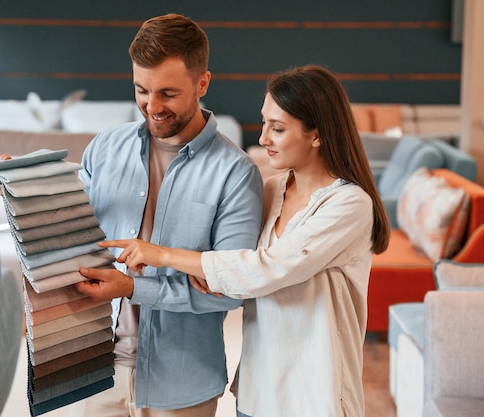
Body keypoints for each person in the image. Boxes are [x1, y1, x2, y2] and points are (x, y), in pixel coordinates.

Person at [77, 65, 391, 417]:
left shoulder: (349, 204)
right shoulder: (271, 190)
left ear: (316, 135)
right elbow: (236, 274)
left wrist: (166, 256)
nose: (263, 139)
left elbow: (265, 270)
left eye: (278, 128)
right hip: (257, 393)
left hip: (316, 395)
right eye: (264, 123)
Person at [69, 13, 264, 417]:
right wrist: (27, 188)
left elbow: (230, 292)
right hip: (93, 369)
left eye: (168, 94)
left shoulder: (235, 173)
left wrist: (131, 288)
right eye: (142, 90)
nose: (152, 106)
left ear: (202, 83)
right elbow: (73, 231)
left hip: (182, 384)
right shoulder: (105, 148)